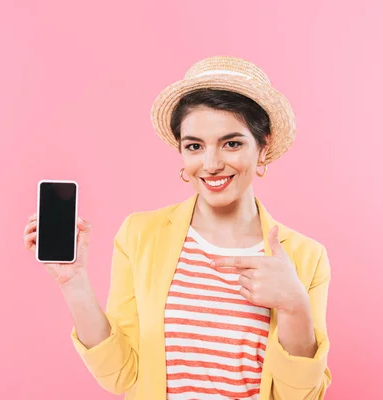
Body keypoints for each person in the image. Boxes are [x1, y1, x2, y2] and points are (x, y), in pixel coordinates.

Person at [23, 56, 332, 400]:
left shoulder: (305, 257)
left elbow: (301, 395)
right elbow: (123, 376)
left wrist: (294, 305)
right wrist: (74, 282)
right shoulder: (141, 235)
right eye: (195, 146)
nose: (211, 164)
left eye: (232, 143)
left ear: (264, 147)